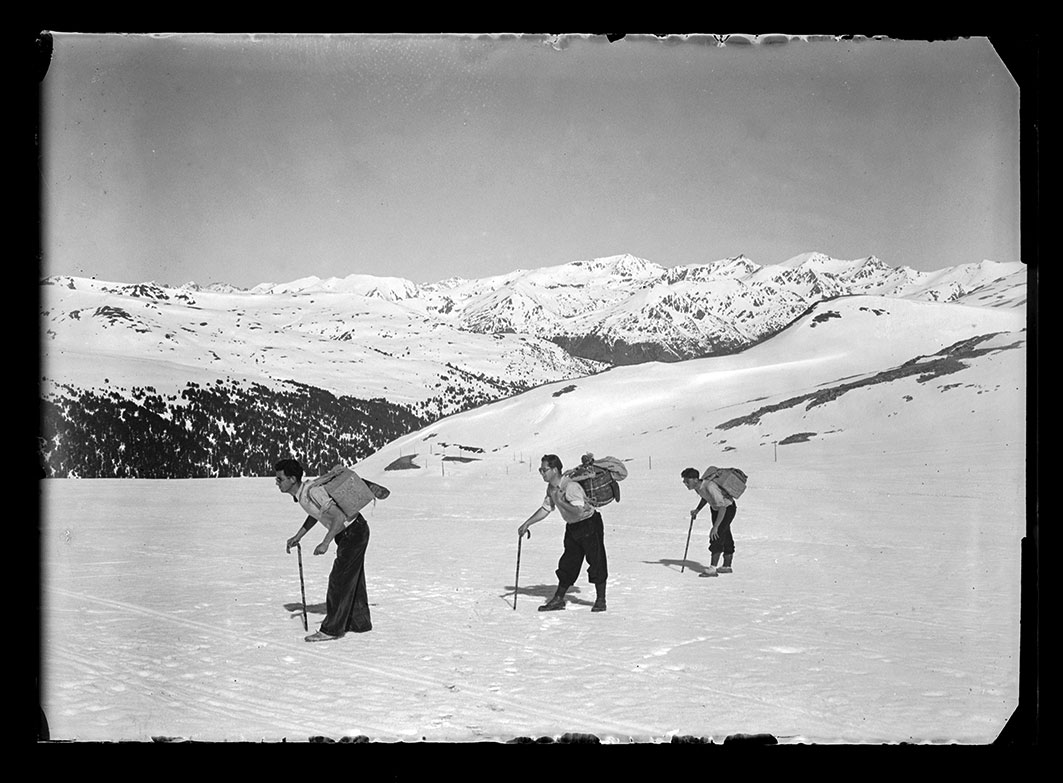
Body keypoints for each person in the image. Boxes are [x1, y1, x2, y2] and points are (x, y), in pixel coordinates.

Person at [275, 458, 372, 641]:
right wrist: (299, 536)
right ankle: (360, 623)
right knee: (353, 578)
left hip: (353, 532)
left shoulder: (313, 492)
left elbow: (337, 517)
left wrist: (325, 542)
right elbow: (315, 514)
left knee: (339, 580)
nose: (277, 483)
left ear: (293, 479)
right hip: (352, 532)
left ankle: (331, 630)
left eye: (280, 479)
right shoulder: (304, 495)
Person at [518, 454, 608, 612]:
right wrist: (527, 523)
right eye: (540, 469)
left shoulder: (570, 487)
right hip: (573, 527)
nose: (542, 473)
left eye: (544, 469)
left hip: (589, 524)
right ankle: (558, 599)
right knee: (568, 562)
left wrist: (560, 501)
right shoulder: (552, 488)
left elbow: (579, 511)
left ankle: (601, 600)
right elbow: (546, 508)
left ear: (554, 469)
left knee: (596, 560)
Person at [681, 467, 737, 577]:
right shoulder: (699, 487)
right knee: (725, 533)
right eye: (684, 481)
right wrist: (697, 510)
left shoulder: (710, 486)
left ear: (695, 480)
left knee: (716, 534)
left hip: (726, 508)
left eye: (687, 481)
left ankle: (712, 569)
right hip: (716, 509)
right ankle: (727, 566)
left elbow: (722, 507)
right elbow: (705, 497)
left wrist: (715, 526)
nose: (685, 483)